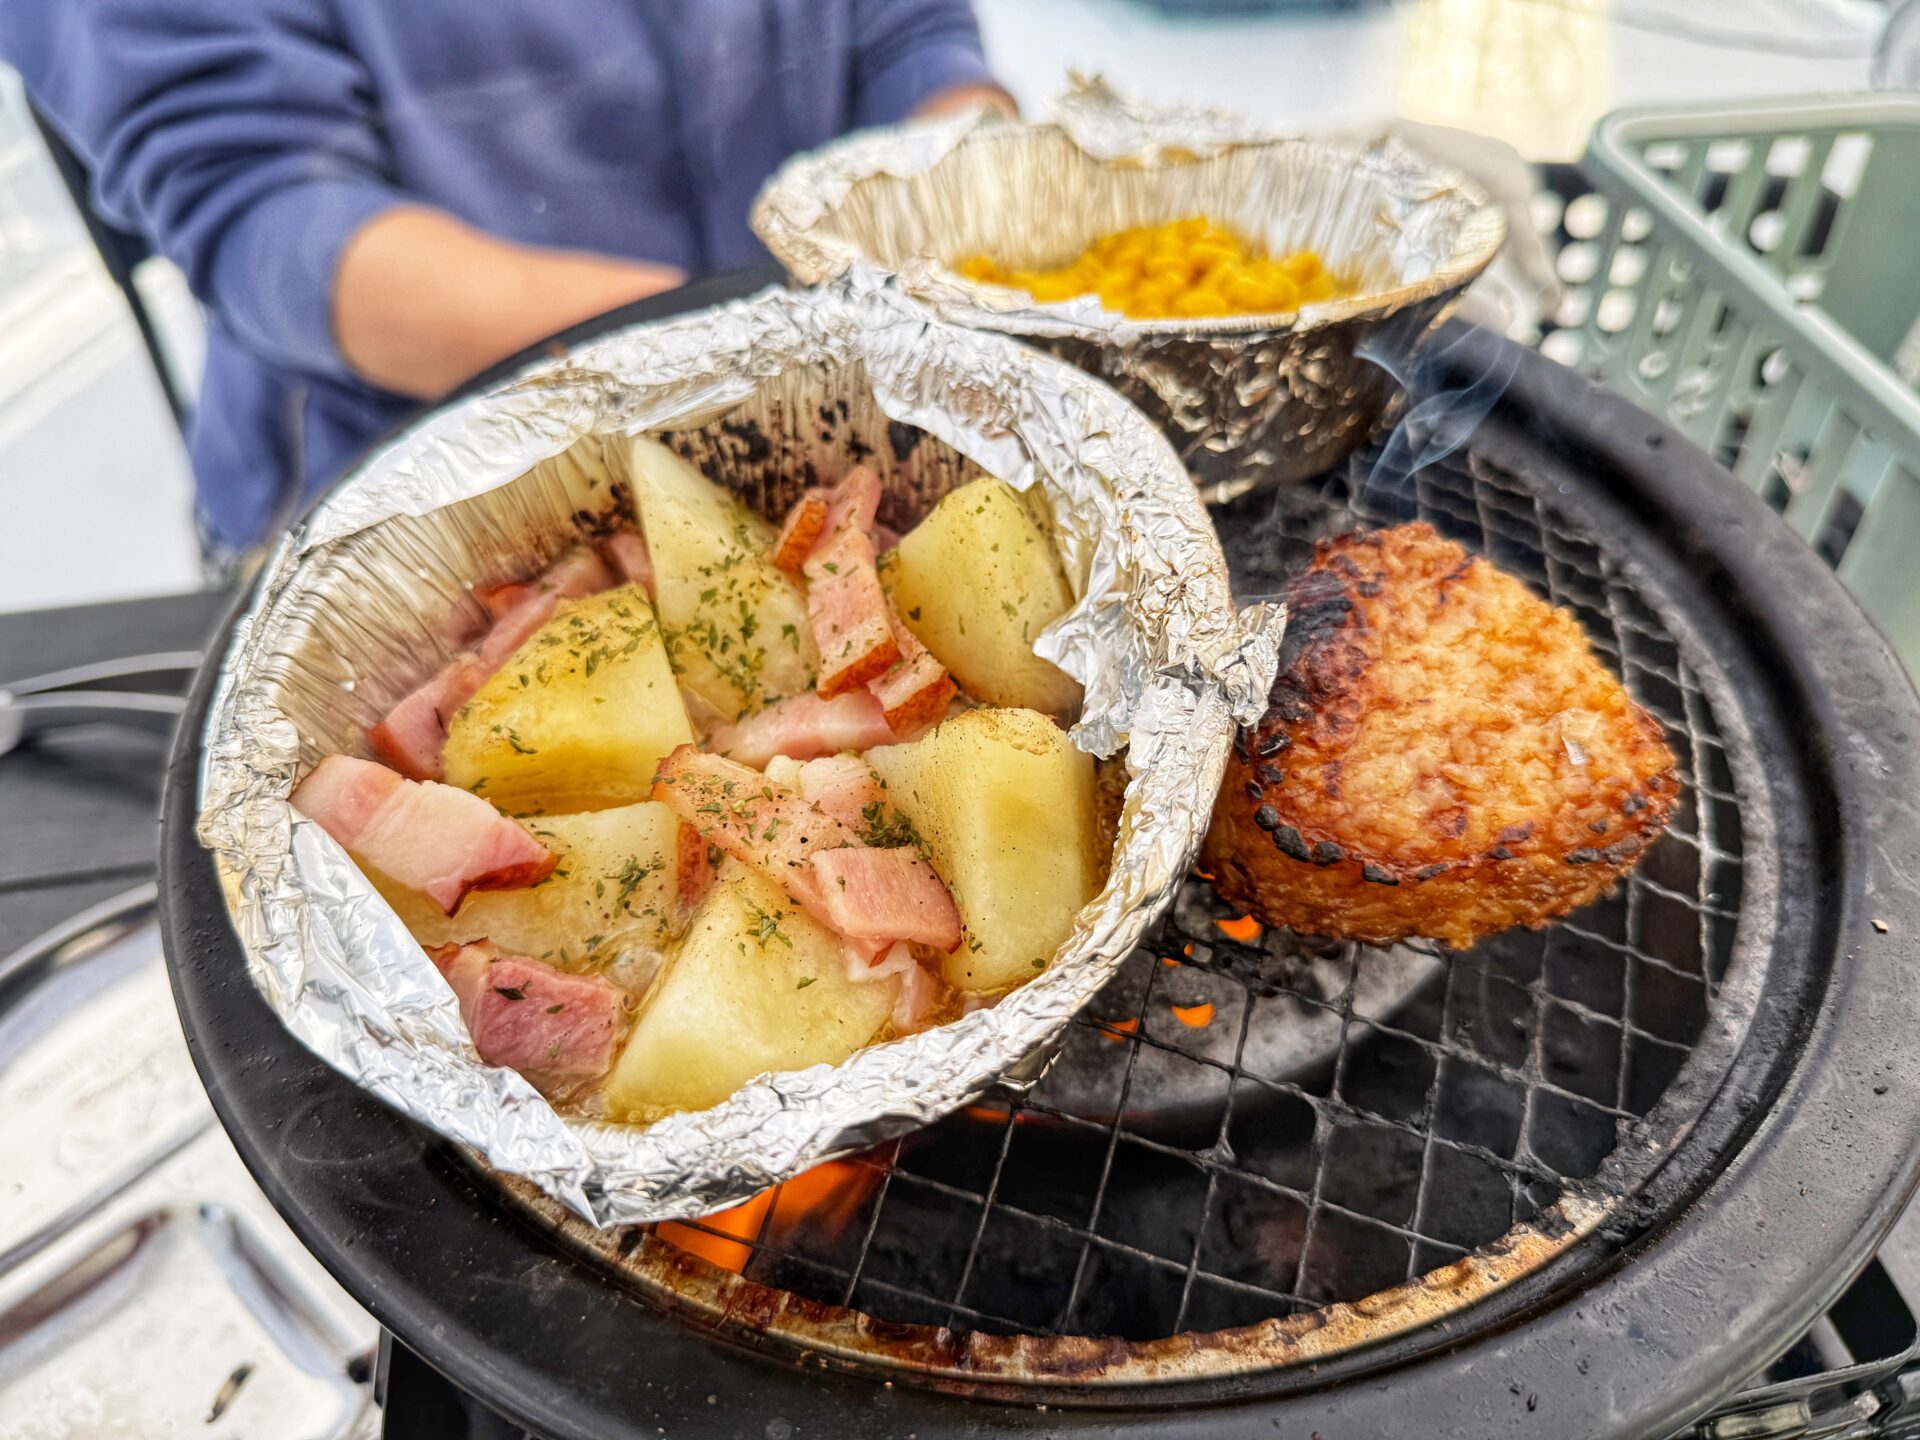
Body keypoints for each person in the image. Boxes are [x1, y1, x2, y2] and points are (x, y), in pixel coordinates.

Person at [1, 3, 1011, 554]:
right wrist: (766, 361)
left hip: (855, 397)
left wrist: (984, 192)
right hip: (432, 482)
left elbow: (913, 38)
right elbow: (266, 211)